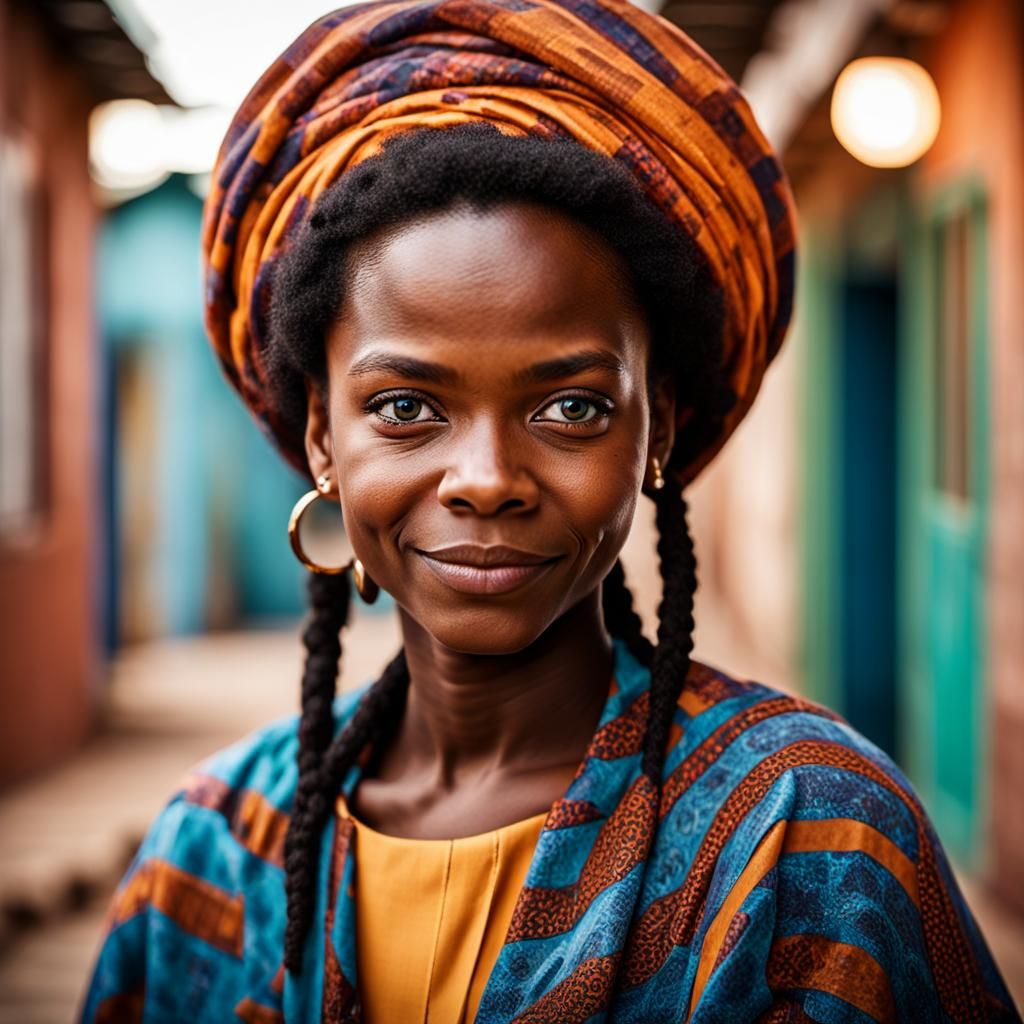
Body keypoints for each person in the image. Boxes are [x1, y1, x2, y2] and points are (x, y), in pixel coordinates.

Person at [80, 1, 1019, 1022]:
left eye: (570, 406)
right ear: (321, 436)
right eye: (405, 407)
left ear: (655, 426)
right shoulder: (211, 854)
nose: (486, 477)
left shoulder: (810, 839)